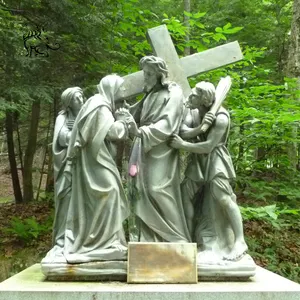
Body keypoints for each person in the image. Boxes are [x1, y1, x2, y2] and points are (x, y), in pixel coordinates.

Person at [170, 81, 248, 261]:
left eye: (195, 95)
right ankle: (189, 239)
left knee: (223, 198)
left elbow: (208, 146)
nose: (190, 97)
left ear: (204, 99)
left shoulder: (221, 117)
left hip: (216, 159)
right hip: (198, 161)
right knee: (185, 192)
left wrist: (183, 145)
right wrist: (199, 128)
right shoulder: (195, 112)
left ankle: (240, 241)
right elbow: (183, 130)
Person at [59, 74, 130, 263]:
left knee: (107, 196)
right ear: (112, 88)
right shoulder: (100, 106)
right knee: (111, 192)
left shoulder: (98, 103)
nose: (123, 92)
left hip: (94, 159)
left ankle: (105, 240)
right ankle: (101, 242)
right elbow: (113, 132)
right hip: (95, 161)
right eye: (121, 88)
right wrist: (123, 120)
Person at [122, 55, 191, 243]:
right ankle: (149, 238)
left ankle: (178, 237)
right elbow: (136, 113)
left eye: (149, 74)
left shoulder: (173, 93)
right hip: (145, 148)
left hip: (162, 149)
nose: (145, 77)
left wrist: (140, 132)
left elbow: (168, 125)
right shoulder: (150, 93)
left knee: (157, 189)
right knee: (142, 192)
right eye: (145, 73)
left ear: (160, 75)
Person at [46, 87, 84, 262]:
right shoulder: (63, 117)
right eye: (77, 98)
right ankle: (62, 241)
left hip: (83, 169)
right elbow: (61, 138)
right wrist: (78, 137)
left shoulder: (86, 115)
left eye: (82, 97)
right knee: (66, 201)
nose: (81, 100)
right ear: (69, 103)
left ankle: (81, 240)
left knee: (82, 203)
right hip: (67, 168)